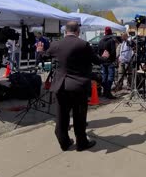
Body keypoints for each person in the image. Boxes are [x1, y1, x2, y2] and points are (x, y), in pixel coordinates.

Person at [44, 21, 109, 152]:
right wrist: (105, 57)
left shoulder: (55, 44)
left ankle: (64, 142)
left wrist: (40, 51)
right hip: (78, 86)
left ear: (65, 31)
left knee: (62, 117)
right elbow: (96, 60)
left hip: (61, 86)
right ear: (78, 31)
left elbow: (44, 56)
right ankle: (81, 143)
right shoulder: (83, 44)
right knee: (79, 117)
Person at [98, 27, 117, 99]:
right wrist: (113, 59)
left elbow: (99, 52)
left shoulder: (101, 40)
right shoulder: (111, 41)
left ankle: (104, 92)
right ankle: (108, 93)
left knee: (104, 77)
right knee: (110, 77)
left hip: (103, 61)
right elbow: (113, 52)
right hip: (110, 62)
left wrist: (102, 58)